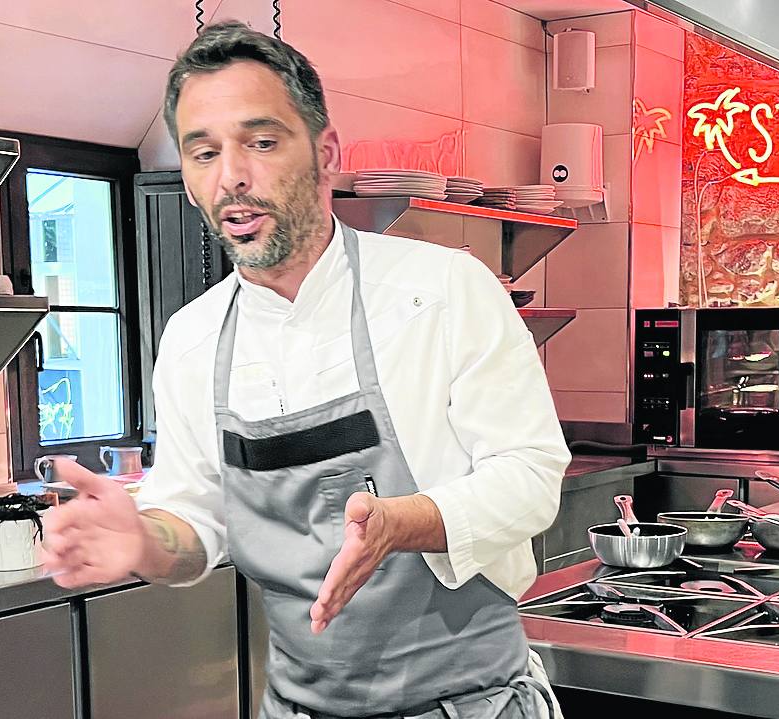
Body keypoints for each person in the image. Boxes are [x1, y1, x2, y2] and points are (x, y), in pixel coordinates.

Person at [41, 22, 569, 719]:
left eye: (260, 141)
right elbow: (193, 521)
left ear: (325, 155)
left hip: (471, 703)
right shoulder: (193, 338)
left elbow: (532, 478)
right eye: (203, 151)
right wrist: (146, 539)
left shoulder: (444, 289)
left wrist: (402, 521)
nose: (231, 173)